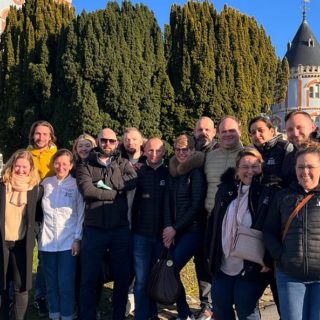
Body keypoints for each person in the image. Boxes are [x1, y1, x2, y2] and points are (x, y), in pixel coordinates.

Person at [206, 148, 276, 320]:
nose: (250, 171)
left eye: (255, 165)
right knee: (220, 308)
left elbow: (273, 228)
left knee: (246, 310)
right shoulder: (225, 191)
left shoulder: (269, 192)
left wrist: (268, 259)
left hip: (252, 264)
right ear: (237, 169)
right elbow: (214, 223)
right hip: (223, 262)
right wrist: (210, 254)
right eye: (245, 166)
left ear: (262, 166)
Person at [76, 127, 137, 320]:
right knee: (89, 278)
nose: (107, 144)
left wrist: (103, 184)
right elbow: (88, 191)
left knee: (121, 277)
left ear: (117, 142)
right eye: (104, 141)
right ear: (97, 141)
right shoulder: (85, 165)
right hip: (94, 230)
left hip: (119, 230)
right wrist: (115, 192)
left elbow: (132, 181)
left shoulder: (123, 162)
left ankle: (118, 315)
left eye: (111, 141)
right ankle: (88, 315)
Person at [264, 142, 320, 320]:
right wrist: (281, 256)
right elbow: (269, 230)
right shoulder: (283, 196)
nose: (305, 172)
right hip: (290, 276)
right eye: (300, 167)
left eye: (311, 166)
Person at [163, 134, 206, 320]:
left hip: (192, 230)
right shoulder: (172, 171)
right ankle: (184, 312)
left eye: (185, 149)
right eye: (178, 149)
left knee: (172, 269)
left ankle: (184, 312)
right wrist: (167, 227)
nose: (181, 153)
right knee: (169, 268)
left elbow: (196, 205)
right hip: (174, 230)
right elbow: (166, 202)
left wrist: (175, 228)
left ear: (193, 151)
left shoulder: (195, 172)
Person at [39, 149, 84, 320]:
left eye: (65, 163)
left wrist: (77, 239)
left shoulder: (76, 185)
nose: (60, 167)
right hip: (47, 241)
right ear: (53, 164)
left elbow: (81, 214)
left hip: (68, 242)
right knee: (51, 283)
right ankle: (54, 314)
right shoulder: (46, 183)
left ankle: (67, 315)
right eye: (57, 163)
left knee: (65, 283)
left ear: (71, 165)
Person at [0, 150, 41, 320]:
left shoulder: (35, 190)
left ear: (31, 168)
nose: (21, 170)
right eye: (17, 166)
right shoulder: (2, 185)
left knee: (21, 286)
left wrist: (34, 234)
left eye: (25, 167)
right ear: (11, 165)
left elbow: (38, 217)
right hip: (2, 242)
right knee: (1, 285)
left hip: (21, 243)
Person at [131, 137, 168, 320]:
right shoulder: (137, 171)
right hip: (140, 235)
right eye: (150, 150)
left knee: (155, 278)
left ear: (163, 152)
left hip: (161, 236)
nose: (154, 154)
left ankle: (152, 314)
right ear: (144, 151)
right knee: (141, 280)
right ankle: (141, 316)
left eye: (158, 151)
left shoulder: (169, 173)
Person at [28, 120, 58, 317]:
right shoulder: (25, 155)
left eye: (45, 134)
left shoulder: (57, 155)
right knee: (26, 254)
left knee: (46, 256)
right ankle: (15, 295)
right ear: (32, 135)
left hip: (51, 210)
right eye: (37, 134)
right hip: (30, 211)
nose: (41, 137)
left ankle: (42, 295)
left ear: (51, 136)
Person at [193, 116, 217, 320]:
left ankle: (218, 304)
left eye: (207, 129)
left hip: (216, 216)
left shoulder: (220, 152)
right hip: (196, 218)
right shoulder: (191, 153)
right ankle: (206, 304)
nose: (203, 133)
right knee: (200, 261)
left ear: (214, 131)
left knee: (216, 261)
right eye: (200, 129)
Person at [204, 116, 243, 216]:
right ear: (218, 134)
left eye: (231, 130)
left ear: (240, 132)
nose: (227, 134)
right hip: (211, 217)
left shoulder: (247, 155)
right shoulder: (209, 156)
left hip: (236, 218)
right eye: (224, 131)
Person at [249, 116, 293, 182]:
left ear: (272, 131)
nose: (257, 135)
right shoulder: (250, 152)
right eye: (253, 133)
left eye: (261, 130)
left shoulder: (285, 148)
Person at [281, 111, 317, 185]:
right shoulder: (288, 158)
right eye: (290, 130)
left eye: (299, 127)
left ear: (313, 128)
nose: (295, 133)